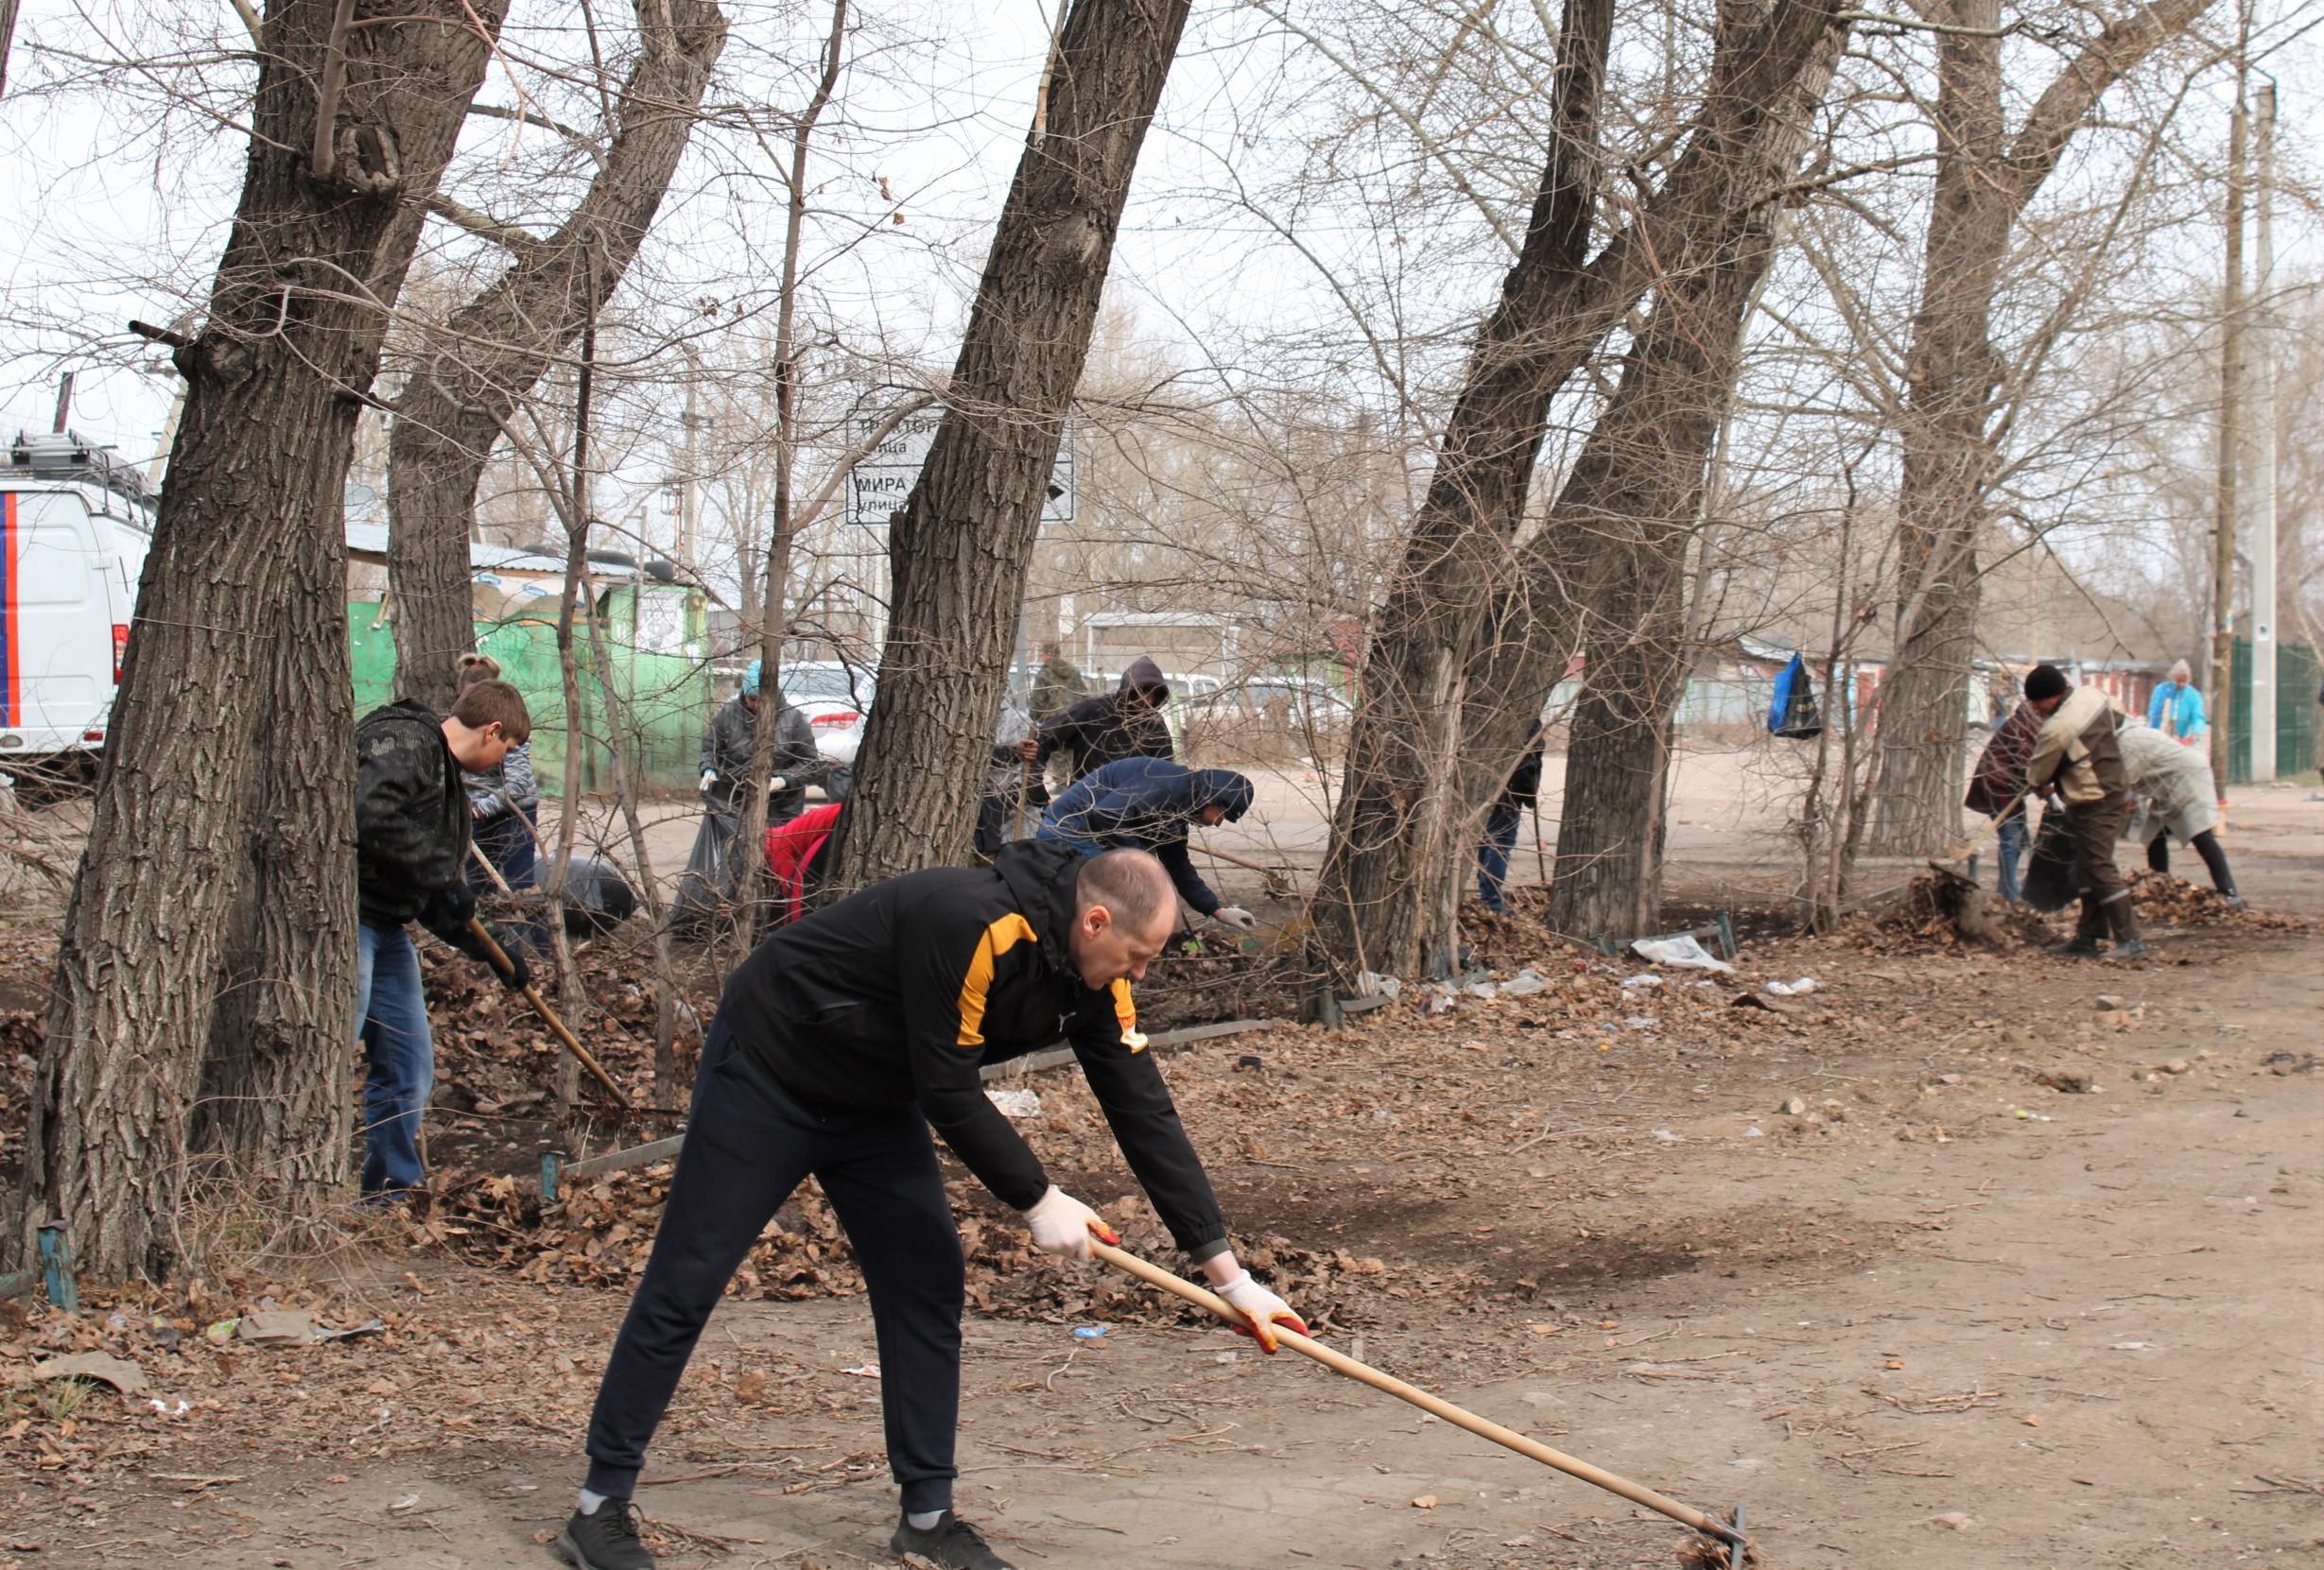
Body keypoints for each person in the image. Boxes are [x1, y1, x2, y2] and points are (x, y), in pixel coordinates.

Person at [555, 845, 1304, 1570]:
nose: (1142, 971)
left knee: (926, 1283)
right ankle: (599, 1505)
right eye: (1139, 954)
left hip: (876, 1099)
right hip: (772, 1068)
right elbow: (950, 1092)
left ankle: (927, 1521)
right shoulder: (971, 922)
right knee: (689, 1275)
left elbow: (1145, 1111)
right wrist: (1039, 1198)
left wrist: (1228, 1276)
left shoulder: (1099, 978)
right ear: (1096, 922)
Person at [354, 680, 533, 1198]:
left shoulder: (449, 781)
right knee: (329, 1045)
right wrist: (442, 875)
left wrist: (496, 952)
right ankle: (299, 1188)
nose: (505, 760)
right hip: (350, 921)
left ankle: (390, 1193)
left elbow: (439, 896)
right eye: (509, 749)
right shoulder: (406, 741)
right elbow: (370, 815)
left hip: (388, 928)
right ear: (492, 730)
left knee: (409, 1064)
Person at [675, 661, 822, 931]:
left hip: (781, 809)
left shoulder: (793, 719)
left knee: (774, 863)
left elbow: (810, 763)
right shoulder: (729, 714)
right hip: (734, 802)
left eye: (760, 699)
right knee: (738, 861)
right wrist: (708, 768)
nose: (755, 705)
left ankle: (771, 920)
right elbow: (711, 747)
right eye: (751, 699)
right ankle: (737, 919)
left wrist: (784, 780)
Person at [1035, 757, 1258, 932]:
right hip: (1066, 829)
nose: (1217, 823)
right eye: (1220, 816)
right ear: (1212, 799)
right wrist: (1141, 861)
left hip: (1088, 836)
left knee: (1129, 889)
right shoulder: (1169, 785)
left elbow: (1179, 866)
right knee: (1122, 891)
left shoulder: (1179, 810)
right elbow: (1106, 814)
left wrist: (1216, 910)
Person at [2022, 664, 2144, 960]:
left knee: (2100, 867)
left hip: (2096, 800)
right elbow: (2116, 719)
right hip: (2113, 789)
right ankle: (2088, 938)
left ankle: (2131, 940)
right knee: (2086, 867)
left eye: (2037, 703)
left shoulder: (2057, 728)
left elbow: (2038, 773)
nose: (2036, 709)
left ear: (2050, 697)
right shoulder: (2093, 696)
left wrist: (2037, 784)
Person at [2119, 720, 2246, 908]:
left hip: (2189, 778)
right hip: (2166, 785)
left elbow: (2120, 784)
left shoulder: (2127, 742)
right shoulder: (2125, 736)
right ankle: (2160, 887)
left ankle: (2229, 893)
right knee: (2156, 836)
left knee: (2200, 834)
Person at [454, 654, 541, 899]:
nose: (475, 705)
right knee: (479, 888)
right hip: (476, 815)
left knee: (522, 887)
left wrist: (480, 809)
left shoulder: (513, 726)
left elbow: (518, 785)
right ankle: (493, 936)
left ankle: (539, 938)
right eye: (469, 697)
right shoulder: (455, 724)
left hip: (513, 810)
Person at [1011, 655, 1172, 783]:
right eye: (1143, 692)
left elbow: (1165, 773)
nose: (1148, 701)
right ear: (1129, 688)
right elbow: (1043, 738)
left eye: (1155, 695)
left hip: (1133, 812)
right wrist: (1034, 781)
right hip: (1085, 808)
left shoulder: (1155, 725)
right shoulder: (1094, 710)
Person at [1965, 699, 2044, 903]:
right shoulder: (2023, 726)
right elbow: (2026, 765)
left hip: (2009, 789)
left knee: (2020, 839)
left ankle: (2005, 889)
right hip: (1998, 788)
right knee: (2011, 841)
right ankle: (2009, 893)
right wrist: (2046, 792)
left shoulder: (2029, 724)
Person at [1474, 722, 1545, 915]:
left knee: (1488, 839)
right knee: (1499, 843)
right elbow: (1532, 749)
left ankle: (1488, 895)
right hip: (1509, 789)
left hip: (1490, 782)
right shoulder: (1524, 720)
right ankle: (1492, 901)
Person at [2146, 660, 2208, 747]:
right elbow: (2154, 713)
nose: (2181, 684)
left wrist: (2195, 733)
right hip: (2158, 737)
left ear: (2189, 680)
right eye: (2178, 681)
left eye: (2184, 681)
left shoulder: (2193, 695)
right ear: (2172, 678)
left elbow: (2198, 717)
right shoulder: (2161, 690)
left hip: (2181, 740)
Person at [1027, 641, 1086, 723]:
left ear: (1048, 655)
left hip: (1053, 719)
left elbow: (1038, 699)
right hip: (1075, 718)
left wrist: (1033, 716)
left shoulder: (1045, 673)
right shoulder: (1074, 671)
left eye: (1043, 655)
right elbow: (1083, 694)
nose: (1042, 658)